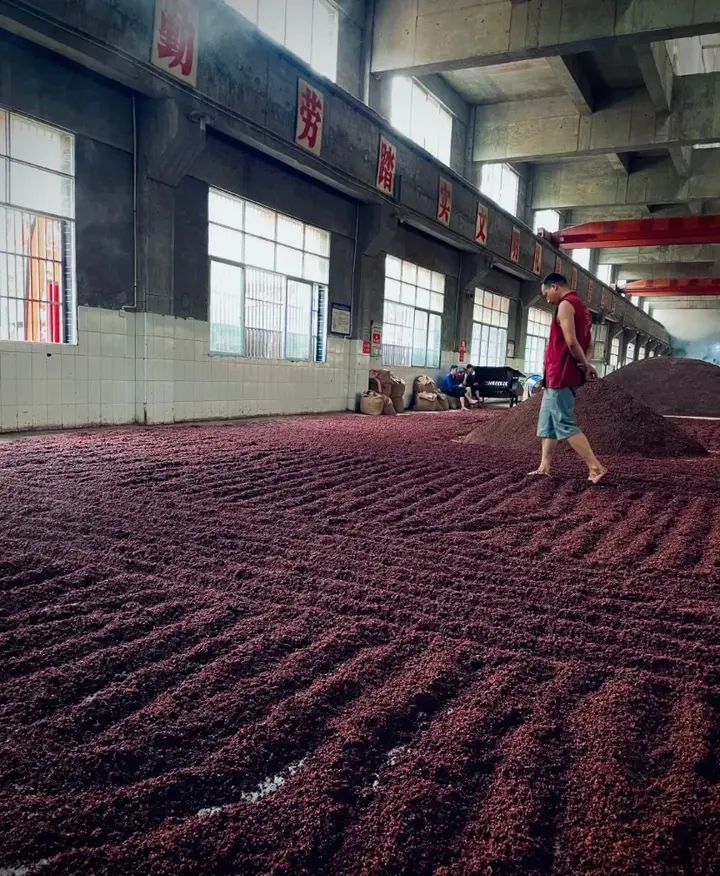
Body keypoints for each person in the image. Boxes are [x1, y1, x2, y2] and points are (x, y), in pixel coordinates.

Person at [529, 273, 607, 484]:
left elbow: (572, 342)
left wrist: (585, 366)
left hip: (561, 373)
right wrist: (585, 363)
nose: (547, 300)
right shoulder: (583, 308)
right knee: (547, 422)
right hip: (558, 373)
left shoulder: (565, 305)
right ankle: (544, 467)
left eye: (546, 294)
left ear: (554, 286)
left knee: (564, 422)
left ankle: (595, 467)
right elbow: (588, 344)